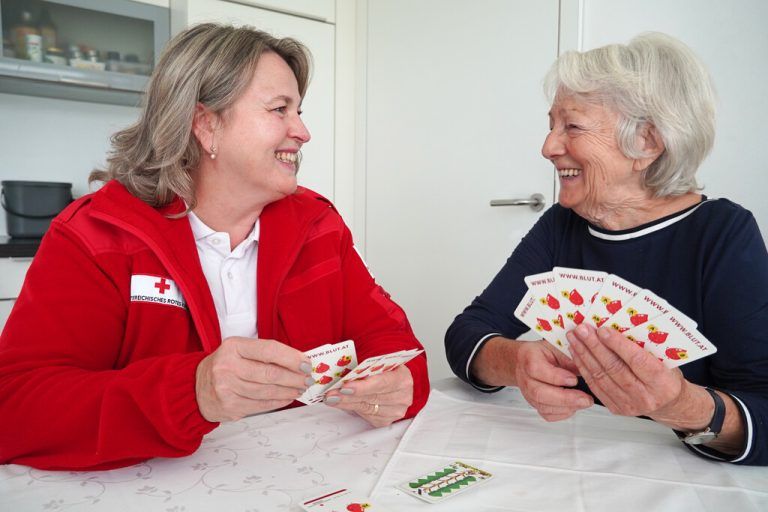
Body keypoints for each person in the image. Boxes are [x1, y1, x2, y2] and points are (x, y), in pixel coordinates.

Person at [0, 23, 429, 470]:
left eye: (299, 111)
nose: (302, 132)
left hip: (294, 477)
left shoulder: (318, 224)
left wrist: (400, 385)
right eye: (280, 109)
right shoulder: (96, 235)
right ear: (205, 125)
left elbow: (395, 343)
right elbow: (15, 410)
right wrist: (193, 392)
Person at [445, 32, 768, 466]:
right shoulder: (564, 223)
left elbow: (763, 408)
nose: (548, 147)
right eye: (551, 125)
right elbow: (467, 332)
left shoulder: (722, 233)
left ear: (647, 143)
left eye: (572, 126)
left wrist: (681, 405)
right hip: (571, 458)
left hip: (678, 475)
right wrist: (515, 362)